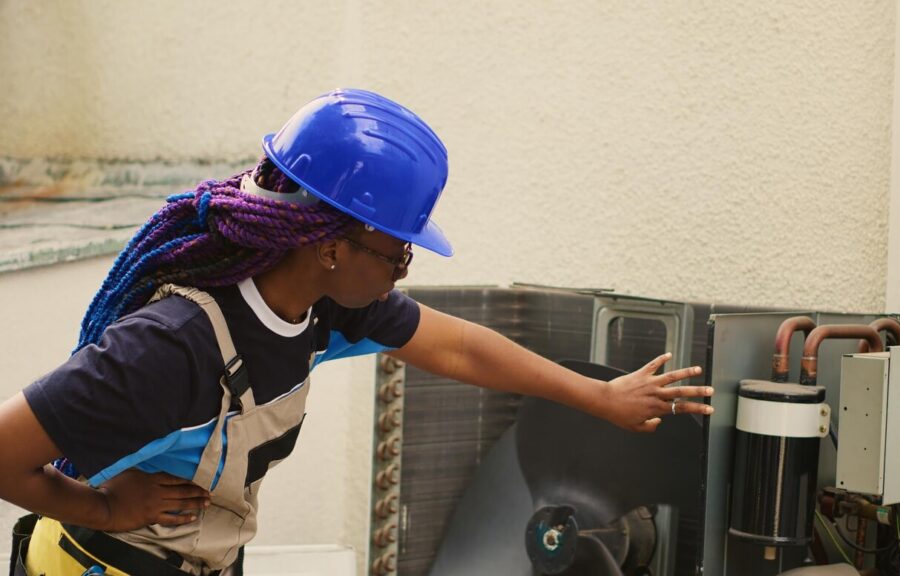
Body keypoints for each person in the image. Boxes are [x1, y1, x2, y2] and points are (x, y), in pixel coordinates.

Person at [0, 89, 713, 576]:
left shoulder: (326, 308)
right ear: (330, 246)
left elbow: (460, 347)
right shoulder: (170, 346)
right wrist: (102, 506)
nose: (403, 270)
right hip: (95, 560)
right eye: (397, 252)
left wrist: (600, 398)